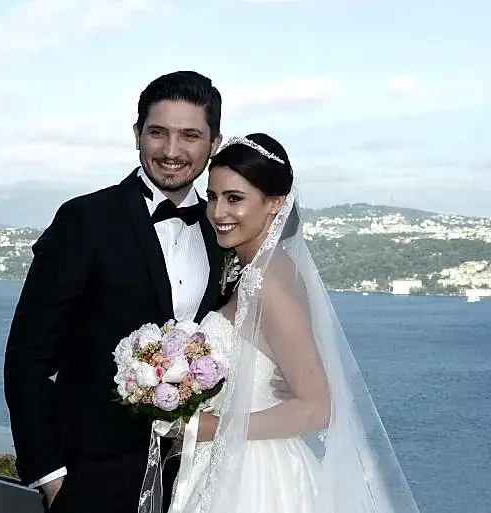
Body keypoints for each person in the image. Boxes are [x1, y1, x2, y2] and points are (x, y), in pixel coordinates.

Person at [142, 133, 421, 513]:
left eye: (234, 198)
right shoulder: (252, 269)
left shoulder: (268, 283)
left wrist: (210, 426)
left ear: (275, 203)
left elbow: (318, 407)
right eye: (213, 196)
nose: (218, 212)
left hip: (257, 476)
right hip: (232, 461)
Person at [3, 71, 227, 513]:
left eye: (190, 135)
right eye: (158, 132)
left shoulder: (221, 232)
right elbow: (28, 357)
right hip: (93, 479)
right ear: (137, 134)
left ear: (213, 144)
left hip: (194, 481)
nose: (171, 150)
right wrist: (51, 477)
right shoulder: (85, 220)